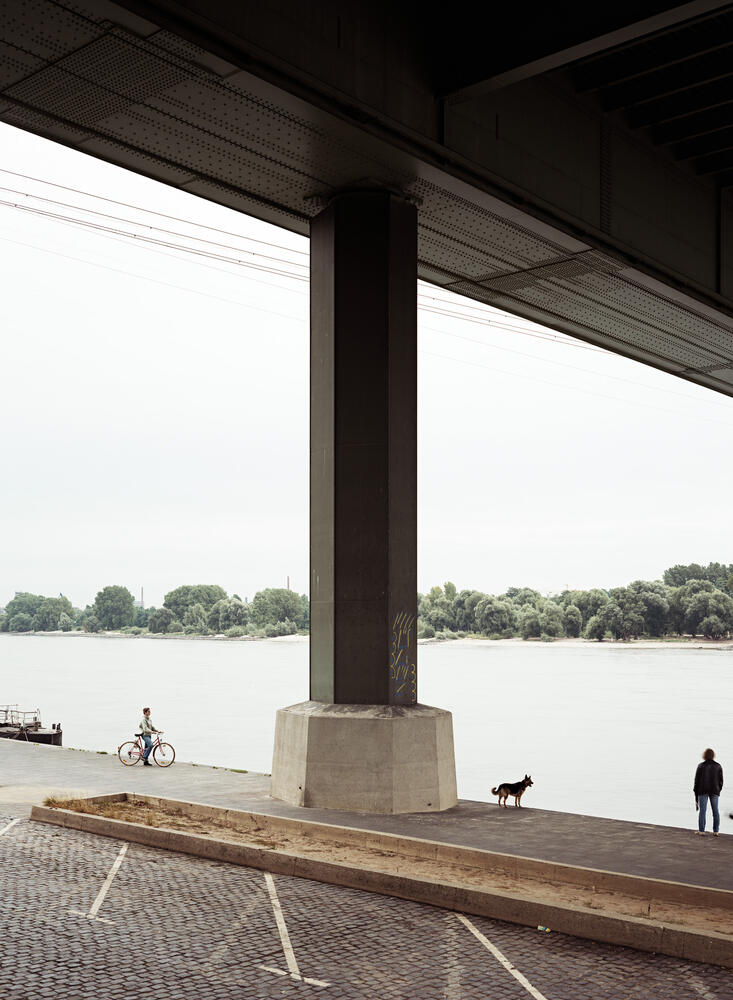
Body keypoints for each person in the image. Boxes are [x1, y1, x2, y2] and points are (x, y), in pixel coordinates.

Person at [694, 748, 723, 836]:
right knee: (715, 811)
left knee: (703, 811)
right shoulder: (718, 766)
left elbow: (696, 781)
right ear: (713, 755)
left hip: (702, 790)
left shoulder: (701, 766)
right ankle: (716, 831)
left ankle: (701, 831)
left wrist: (696, 792)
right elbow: (721, 781)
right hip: (714, 790)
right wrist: (718, 790)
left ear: (704, 755)